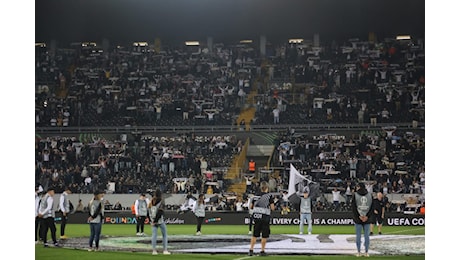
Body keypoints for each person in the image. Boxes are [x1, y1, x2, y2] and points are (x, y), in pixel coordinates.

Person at [248, 181, 275, 256]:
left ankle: (251, 250)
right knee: (264, 235)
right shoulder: (269, 196)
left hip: (257, 217)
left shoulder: (255, 196)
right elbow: (272, 208)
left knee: (255, 234)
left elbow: (251, 207)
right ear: (267, 188)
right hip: (265, 217)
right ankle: (262, 251)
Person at [351, 182, 374, 257]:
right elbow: (372, 207)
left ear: (359, 187)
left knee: (358, 236)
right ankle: (366, 252)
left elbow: (354, 208)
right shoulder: (370, 195)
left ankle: (358, 252)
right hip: (367, 219)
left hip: (358, 219)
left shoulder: (355, 195)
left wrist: (359, 216)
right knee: (366, 236)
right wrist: (367, 216)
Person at [149, 189, 170, 255]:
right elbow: (160, 212)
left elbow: (148, 211)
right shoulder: (161, 201)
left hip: (153, 220)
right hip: (159, 221)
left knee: (154, 235)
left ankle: (154, 251)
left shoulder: (152, 201)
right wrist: (155, 221)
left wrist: (151, 221)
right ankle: (165, 250)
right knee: (165, 235)